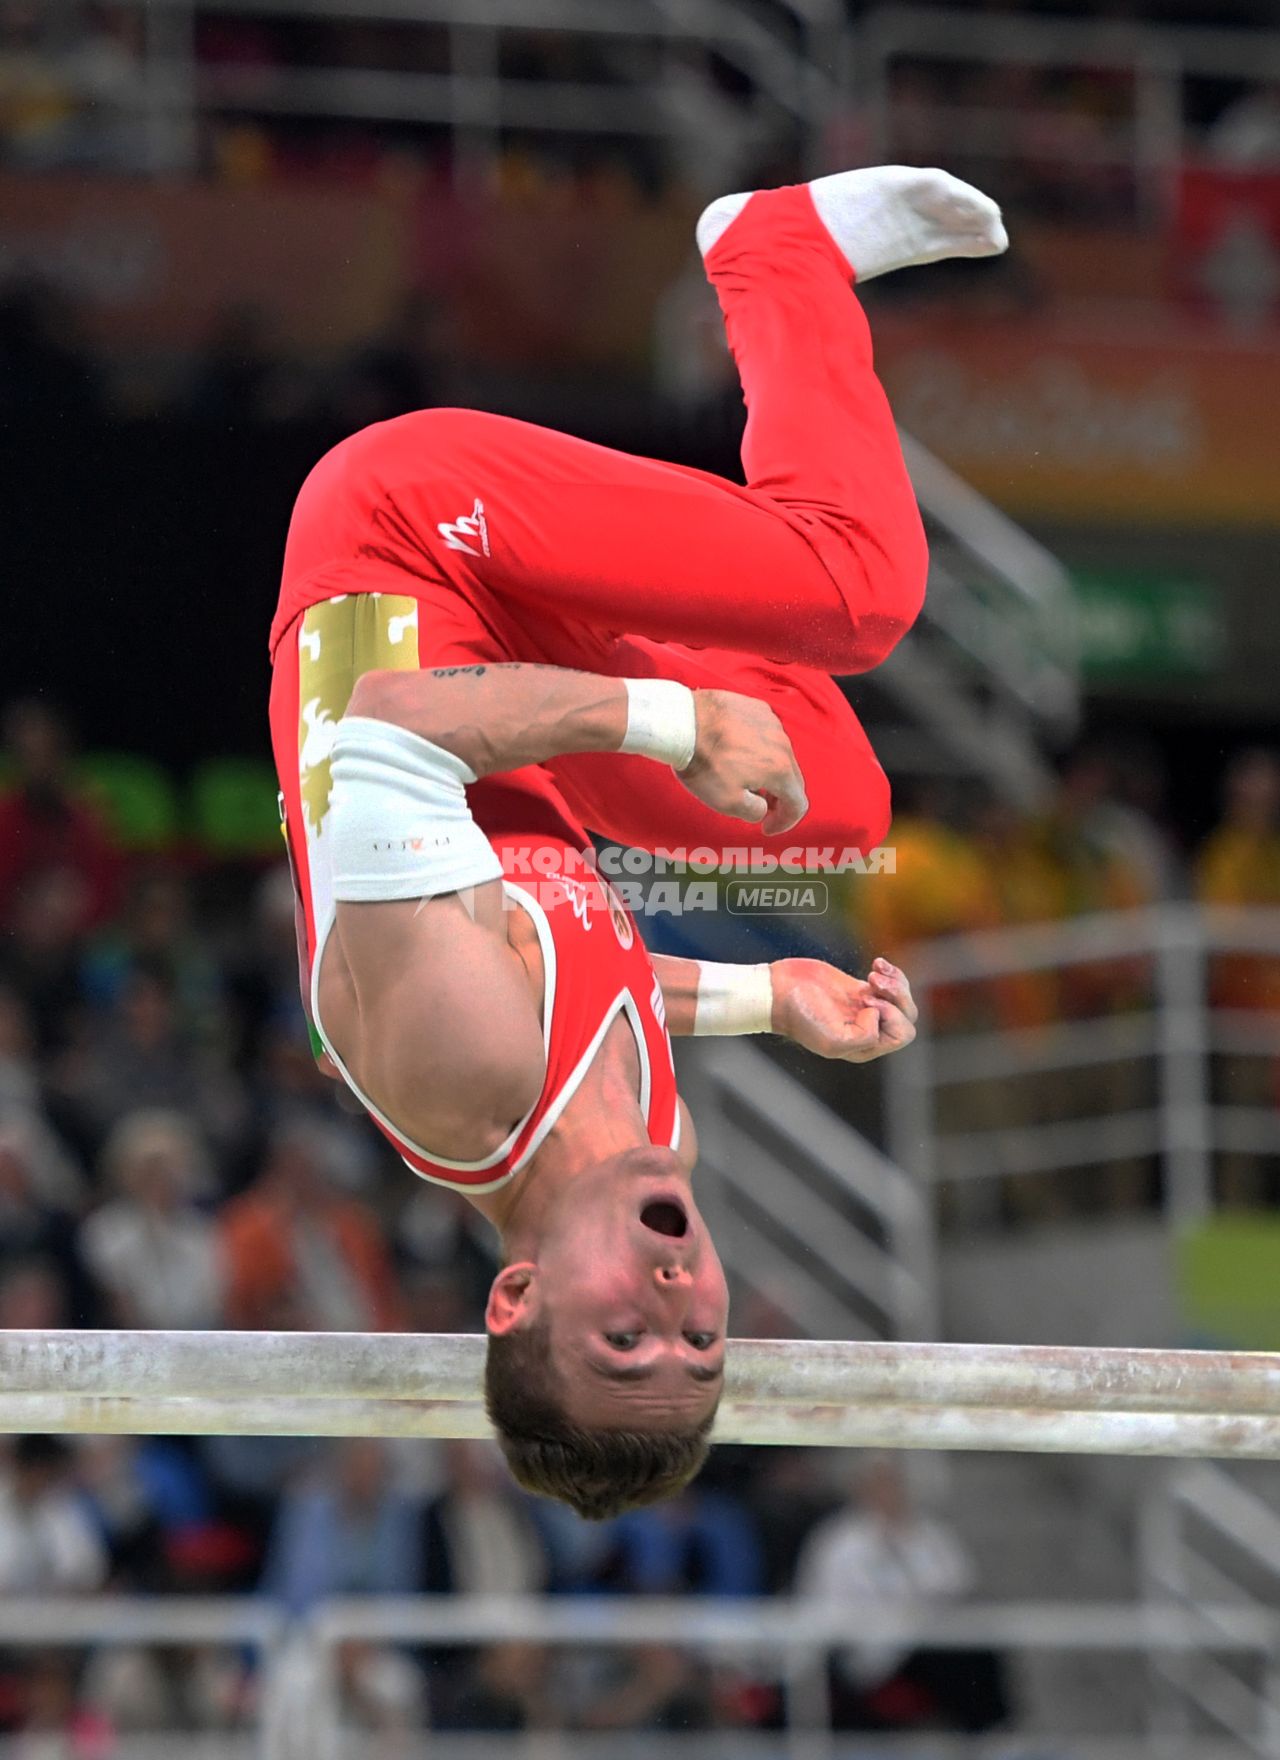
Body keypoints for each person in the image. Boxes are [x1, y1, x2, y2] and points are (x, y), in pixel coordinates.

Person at [268, 165, 1009, 1517]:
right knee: (836, 796)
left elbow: (383, 723)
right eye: (701, 1340)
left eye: (626, 1336)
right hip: (500, 699)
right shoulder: (648, 1140)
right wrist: (763, 999)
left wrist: (678, 723)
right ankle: (719, 613)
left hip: (401, 550)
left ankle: (775, 253)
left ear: (517, 1294)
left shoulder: (459, 1065)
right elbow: (566, 968)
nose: (679, 1299)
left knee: (859, 591)